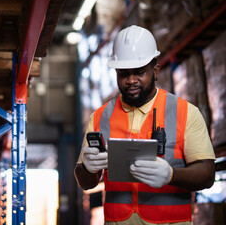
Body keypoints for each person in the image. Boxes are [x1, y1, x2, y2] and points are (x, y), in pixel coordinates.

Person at [74, 25, 215, 224]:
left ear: (155, 71)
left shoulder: (185, 112)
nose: (131, 80)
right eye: (123, 73)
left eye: (139, 72)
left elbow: (207, 175)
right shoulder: (100, 116)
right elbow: (85, 182)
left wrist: (171, 175)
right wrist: (88, 169)